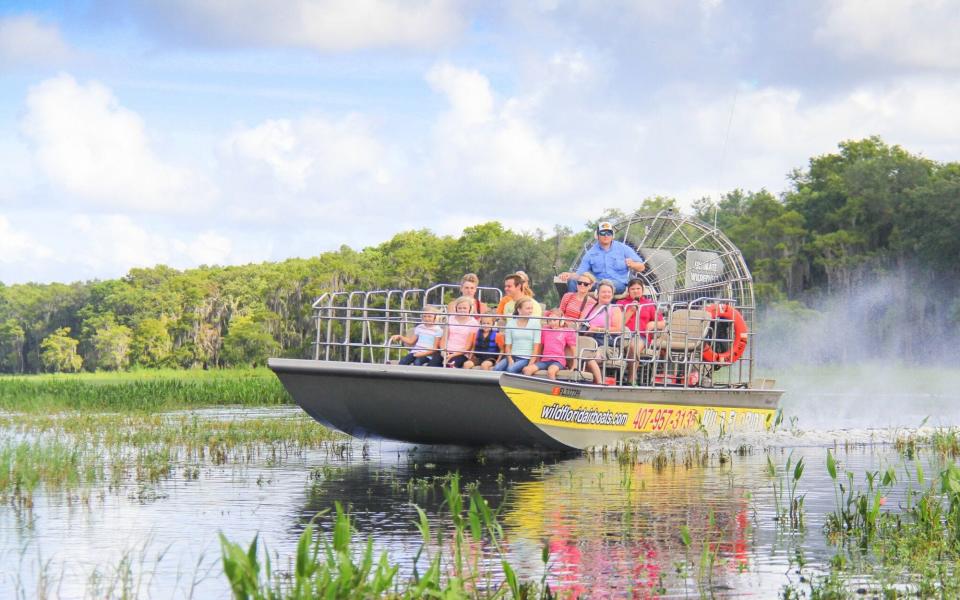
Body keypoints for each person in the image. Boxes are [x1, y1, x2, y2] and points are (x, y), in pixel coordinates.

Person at [558, 221, 645, 294]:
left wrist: (632, 264)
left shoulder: (623, 248)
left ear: (612, 235)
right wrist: (569, 275)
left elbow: (642, 267)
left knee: (606, 286)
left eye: (609, 233)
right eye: (603, 233)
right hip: (597, 283)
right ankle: (571, 309)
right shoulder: (591, 253)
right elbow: (580, 274)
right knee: (573, 282)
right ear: (597, 235)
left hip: (618, 284)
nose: (606, 236)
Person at [617, 278, 665, 383]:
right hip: (623, 334)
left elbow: (662, 323)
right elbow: (619, 323)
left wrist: (653, 324)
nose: (635, 291)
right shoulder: (621, 303)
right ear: (628, 291)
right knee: (629, 343)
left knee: (634, 346)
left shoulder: (649, 304)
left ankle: (631, 378)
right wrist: (631, 310)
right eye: (632, 289)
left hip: (641, 335)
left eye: (638, 288)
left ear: (642, 290)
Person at [580, 280, 624, 384]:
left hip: (605, 344)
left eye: (609, 292)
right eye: (604, 292)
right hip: (588, 340)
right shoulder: (590, 307)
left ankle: (599, 382)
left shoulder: (615, 309)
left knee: (588, 357)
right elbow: (581, 323)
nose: (607, 294)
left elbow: (618, 329)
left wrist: (597, 329)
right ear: (597, 293)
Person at [523, 309, 577, 380]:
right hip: (545, 360)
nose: (552, 322)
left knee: (551, 372)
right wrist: (538, 359)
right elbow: (540, 346)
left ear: (561, 321)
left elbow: (573, 349)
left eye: (554, 320)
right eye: (550, 320)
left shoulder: (566, 331)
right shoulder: (545, 330)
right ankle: (530, 388)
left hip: (558, 361)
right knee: (527, 369)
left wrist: (574, 365)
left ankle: (554, 390)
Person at [493, 297, 542, 374]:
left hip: (526, 359)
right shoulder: (510, 324)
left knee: (510, 370)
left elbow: (536, 348)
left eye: (531, 308)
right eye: (528, 308)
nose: (531, 311)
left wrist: (530, 364)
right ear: (519, 310)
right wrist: (510, 360)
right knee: (496, 368)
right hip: (512, 356)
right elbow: (508, 346)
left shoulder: (535, 324)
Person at [443, 296, 480, 368]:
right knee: (434, 363)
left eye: (464, 308)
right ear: (456, 308)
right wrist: (443, 351)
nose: (462, 310)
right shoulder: (450, 319)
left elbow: (468, 347)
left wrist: (452, 355)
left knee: (450, 365)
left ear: (470, 309)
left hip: (461, 353)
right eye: (459, 308)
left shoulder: (473, 323)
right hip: (446, 350)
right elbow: (444, 338)